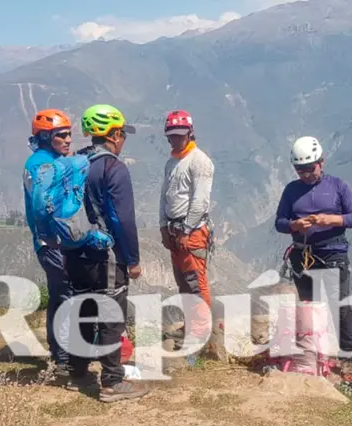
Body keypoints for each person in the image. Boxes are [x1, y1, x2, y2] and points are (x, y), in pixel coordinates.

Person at [66, 104, 149, 402]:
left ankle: (77, 370)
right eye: (122, 133)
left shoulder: (75, 163)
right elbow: (121, 219)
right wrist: (133, 259)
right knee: (111, 313)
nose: (123, 139)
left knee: (83, 307)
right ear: (113, 135)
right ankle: (113, 381)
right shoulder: (114, 168)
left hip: (74, 251)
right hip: (105, 254)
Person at [275, 136, 352, 373]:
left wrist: (332, 219)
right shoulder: (291, 190)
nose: (305, 174)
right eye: (300, 169)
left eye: (309, 168)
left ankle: (347, 358)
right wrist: (295, 225)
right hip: (302, 254)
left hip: (333, 252)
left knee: (340, 305)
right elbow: (280, 222)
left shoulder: (338, 186)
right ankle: (313, 356)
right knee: (309, 307)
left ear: (321, 162)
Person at [23, 109, 75, 377]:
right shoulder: (42, 165)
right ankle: (64, 358)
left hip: (50, 241)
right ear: (45, 137)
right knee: (66, 293)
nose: (68, 139)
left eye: (69, 134)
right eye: (62, 135)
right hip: (52, 242)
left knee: (59, 294)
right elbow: (43, 206)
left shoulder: (47, 160)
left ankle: (62, 354)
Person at [158, 109, 215, 353]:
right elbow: (165, 196)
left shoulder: (199, 161)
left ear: (190, 133)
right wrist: (163, 226)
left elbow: (200, 200)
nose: (176, 139)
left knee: (195, 283)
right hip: (174, 229)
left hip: (191, 232)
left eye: (180, 135)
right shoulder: (172, 162)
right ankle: (192, 327)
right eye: (172, 135)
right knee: (182, 282)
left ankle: (202, 335)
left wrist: (187, 230)